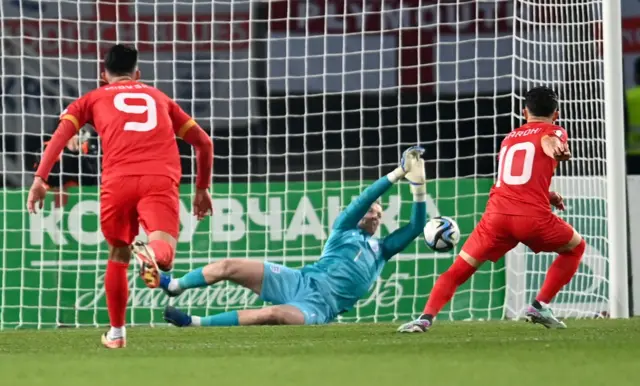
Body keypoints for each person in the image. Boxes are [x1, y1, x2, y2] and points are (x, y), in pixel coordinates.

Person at [26, 44, 214, 348]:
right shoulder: (160, 98)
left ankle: (116, 334)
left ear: (104, 75)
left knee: (117, 253)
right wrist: (202, 188)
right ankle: (153, 255)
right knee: (163, 251)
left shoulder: (91, 99)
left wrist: (39, 179)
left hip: (117, 182)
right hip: (159, 178)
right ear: (137, 74)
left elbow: (59, 137)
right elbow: (203, 143)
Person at [161, 147, 428, 327]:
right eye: (370, 210)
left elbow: (416, 227)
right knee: (229, 266)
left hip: (320, 307)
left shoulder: (381, 250)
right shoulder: (343, 229)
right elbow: (364, 198)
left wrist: (419, 185)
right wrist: (397, 173)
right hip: (298, 279)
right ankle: (175, 285)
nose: (373, 214)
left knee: (273, 314)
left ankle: (194, 323)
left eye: (377, 212)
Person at [398, 86, 584, 333]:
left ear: (524, 112)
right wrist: (557, 148)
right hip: (531, 218)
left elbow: (514, 177)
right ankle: (540, 304)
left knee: (457, 271)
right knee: (576, 247)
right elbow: (549, 142)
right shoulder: (554, 131)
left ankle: (424, 319)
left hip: (496, 218)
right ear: (556, 115)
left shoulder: (510, 138)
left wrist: (547, 194)